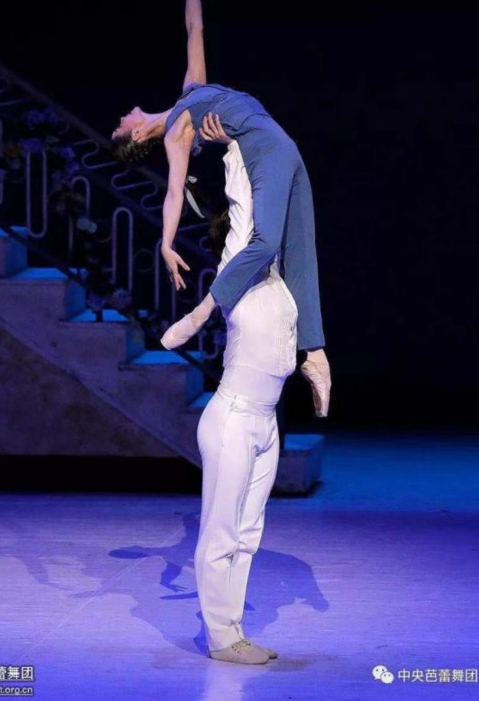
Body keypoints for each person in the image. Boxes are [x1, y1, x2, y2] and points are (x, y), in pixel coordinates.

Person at [111, 0, 331, 416]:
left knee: (300, 249)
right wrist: (165, 243)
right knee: (266, 242)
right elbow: (174, 192)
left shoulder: (189, 92)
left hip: (281, 143)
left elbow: (195, 29)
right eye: (120, 125)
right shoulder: (175, 134)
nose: (123, 115)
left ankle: (315, 354)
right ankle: (202, 312)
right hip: (262, 150)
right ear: (135, 136)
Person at [191, 132, 298, 664]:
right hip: (232, 418)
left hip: (265, 423)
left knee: (248, 534)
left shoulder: (277, 283)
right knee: (222, 531)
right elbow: (242, 208)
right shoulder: (236, 274)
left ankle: (233, 630)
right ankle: (220, 637)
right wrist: (235, 148)